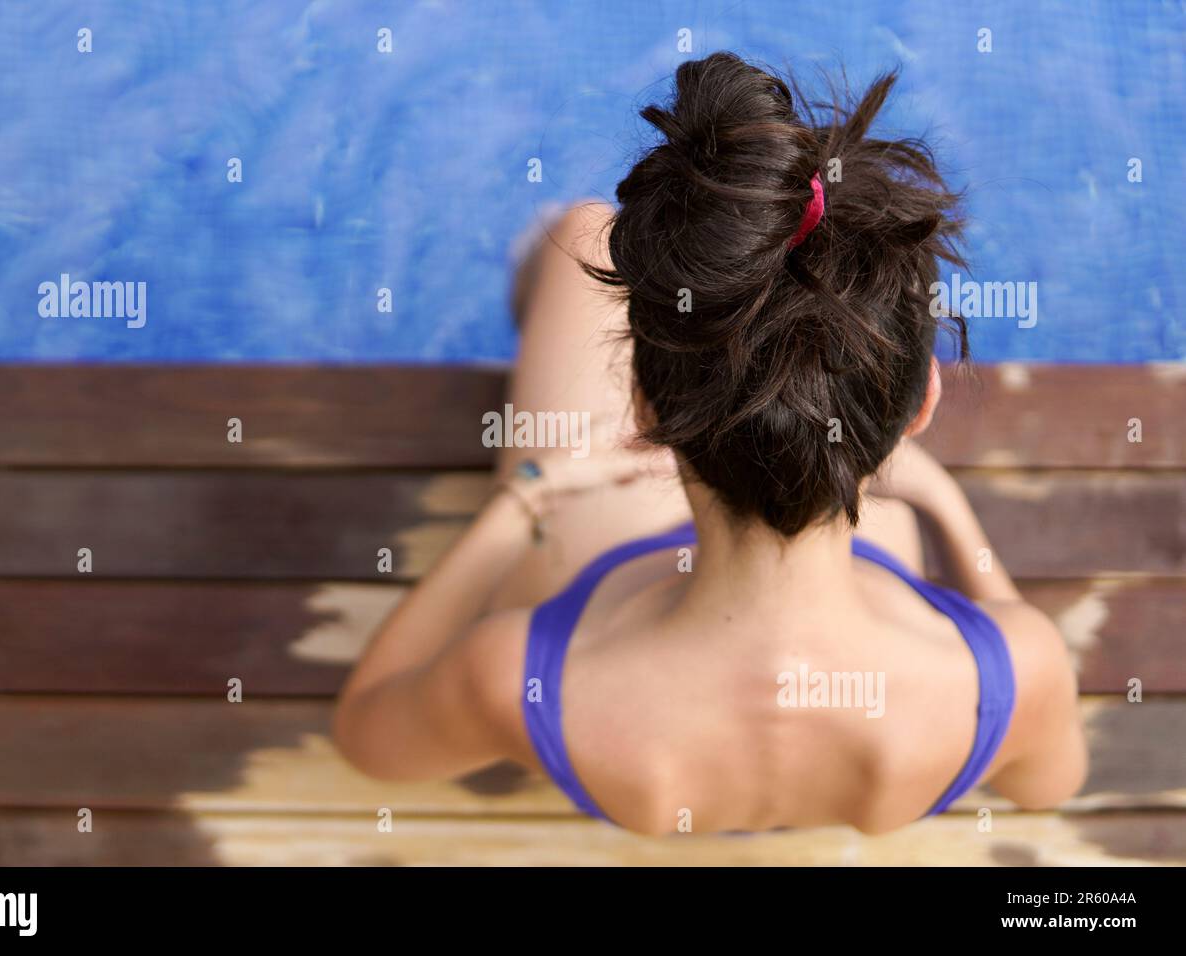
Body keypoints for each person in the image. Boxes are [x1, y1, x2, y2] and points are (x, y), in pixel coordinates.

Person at [333, 52, 1087, 836]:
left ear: (641, 410)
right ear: (919, 405)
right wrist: (945, 503)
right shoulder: (1014, 674)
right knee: (893, 526)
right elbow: (1047, 786)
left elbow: (367, 736)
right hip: (883, 702)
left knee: (582, 230)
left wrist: (519, 499)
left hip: (624, 700)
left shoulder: (511, 679)